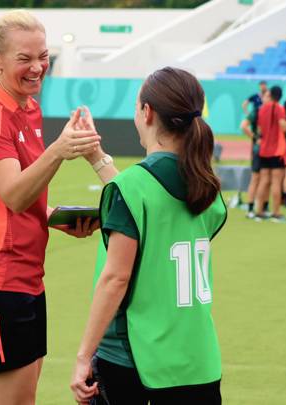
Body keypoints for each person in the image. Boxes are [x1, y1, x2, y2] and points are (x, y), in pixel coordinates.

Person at [0, 10, 102, 405]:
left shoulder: (28, 109)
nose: (37, 68)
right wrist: (60, 150)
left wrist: (53, 218)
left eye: (43, 56)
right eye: (25, 59)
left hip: (26, 278)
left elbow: (10, 202)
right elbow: (14, 193)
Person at [70, 67, 226, 405]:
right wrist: (97, 158)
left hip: (138, 362)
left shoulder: (133, 189)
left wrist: (84, 356)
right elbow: (153, 202)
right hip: (198, 361)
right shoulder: (206, 185)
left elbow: (116, 278)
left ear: (147, 112)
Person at [255, 86, 286, 222]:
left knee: (263, 181)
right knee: (276, 182)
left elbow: (260, 129)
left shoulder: (262, 109)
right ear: (280, 96)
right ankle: (276, 211)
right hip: (277, 150)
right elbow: (283, 126)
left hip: (264, 149)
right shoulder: (278, 108)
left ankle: (259, 210)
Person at [241, 94, 264, 218]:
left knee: (262, 179)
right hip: (262, 150)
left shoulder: (261, 111)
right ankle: (254, 207)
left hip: (261, 149)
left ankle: (257, 207)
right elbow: (243, 126)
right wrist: (256, 138)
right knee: (259, 178)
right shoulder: (258, 111)